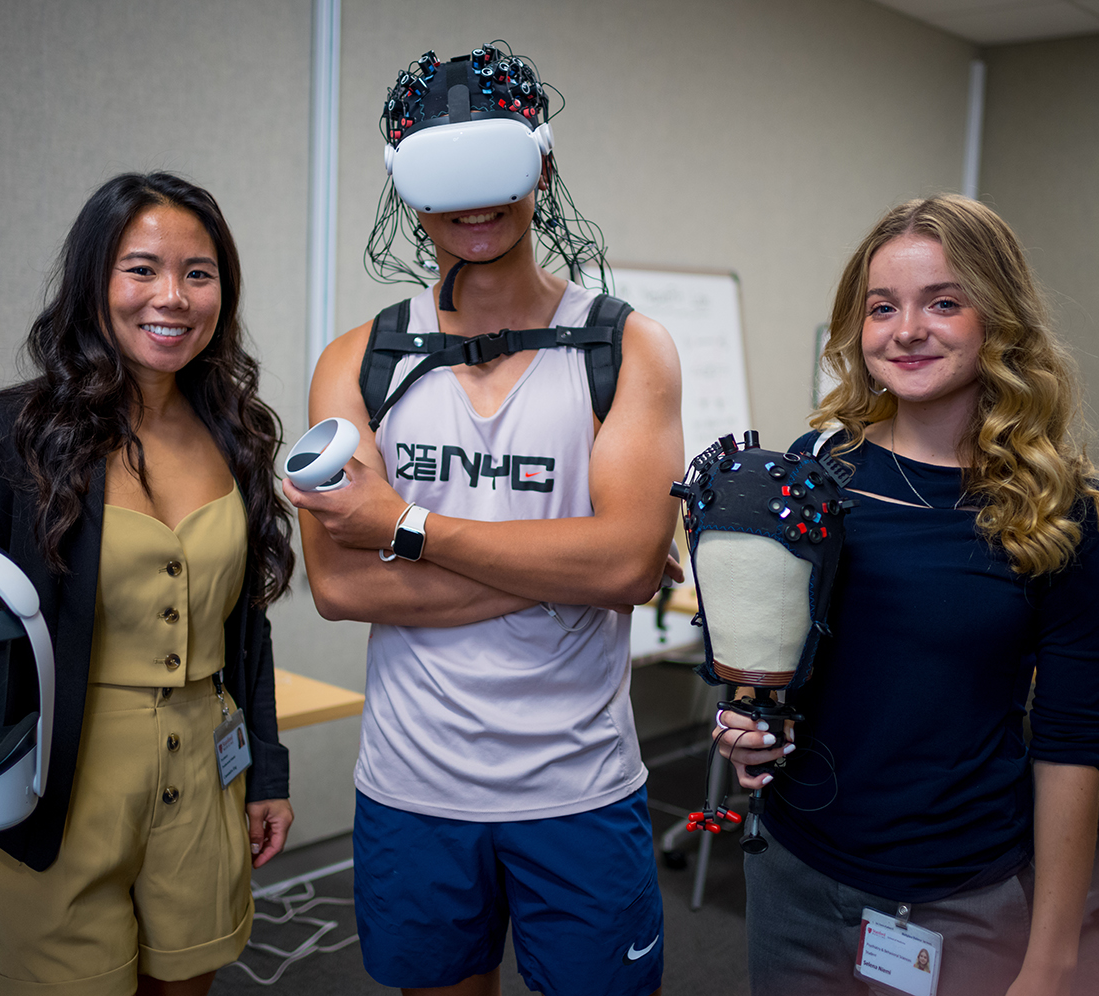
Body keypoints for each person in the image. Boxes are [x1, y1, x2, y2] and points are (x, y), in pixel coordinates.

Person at [286, 44, 683, 996]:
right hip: (414, 789)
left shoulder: (626, 347)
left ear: (540, 163)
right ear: (402, 181)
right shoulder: (360, 360)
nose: (472, 204)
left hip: (579, 787)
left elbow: (627, 569)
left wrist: (404, 525)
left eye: (494, 167)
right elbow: (341, 587)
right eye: (442, 174)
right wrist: (564, 561)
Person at [718, 194, 1099, 996]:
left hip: (956, 901)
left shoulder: (1069, 512)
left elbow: (1072, 744)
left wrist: (1052, 959)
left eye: (944, 301)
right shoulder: (817, 469)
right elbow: (791, 658)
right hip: (793, 874)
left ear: (999, 320)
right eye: (883, 307)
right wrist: (750, 726)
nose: (908, 330)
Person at [0, 171, 296, 996]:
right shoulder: (6, 435)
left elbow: (246, 630)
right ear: (94, 281)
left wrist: (268, 770)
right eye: (142, 268)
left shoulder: (236, 434)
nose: (174, 297)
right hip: (58, 782)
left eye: (200, 273)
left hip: (201, 775)